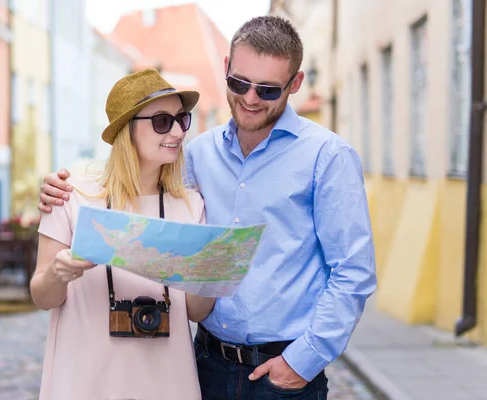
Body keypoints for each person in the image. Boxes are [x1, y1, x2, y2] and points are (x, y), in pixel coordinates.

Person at [38, 16, 376, 400]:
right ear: (227, 66)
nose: (250, 98)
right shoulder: (197, 154)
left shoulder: (328, 157)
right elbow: (138, 175)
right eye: (239, 83)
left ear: (295, 84)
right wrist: (62, 187)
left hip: (282, 375)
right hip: (204, 365)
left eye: (267, 90)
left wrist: (303, 361)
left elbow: (353, 272)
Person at [31, 68, 216, 400]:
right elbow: (43, 297)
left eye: (181, 119)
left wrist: (214, 275)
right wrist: (59, 273)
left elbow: (196, 312)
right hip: (85, 381)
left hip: (165, 383)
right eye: (162, 121)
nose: (176, 131)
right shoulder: (71, 195)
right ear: (127, 129)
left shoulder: (190, 205)